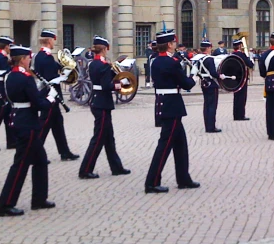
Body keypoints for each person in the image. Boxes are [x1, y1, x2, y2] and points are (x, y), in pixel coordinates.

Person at [0, 44, 56, 216]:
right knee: (21, 165)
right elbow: (37, 103)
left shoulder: (10, 76)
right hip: (27, 123)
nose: (30, 60)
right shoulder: (25, 78)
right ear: (23, 59)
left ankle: (39, 199)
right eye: (28, 57)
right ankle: (6, 204)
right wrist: (50, 99)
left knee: (40, 161)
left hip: (18, 119)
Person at [145, 29, 198, 194]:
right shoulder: (171, 62)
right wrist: (194, 75)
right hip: (172, 106)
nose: (175, 45)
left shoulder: (156, 61)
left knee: (180, 144)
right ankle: (152, 182)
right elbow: (186, 84)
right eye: (173, 43)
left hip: (164, 103)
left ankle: (183, 178)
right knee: (165, 145)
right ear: (169, 44)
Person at [77, 36, 132, 179]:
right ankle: (85, 169)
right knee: (98, 138)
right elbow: (107, 85)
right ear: (106, 49)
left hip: (97, 101)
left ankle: (116, 167)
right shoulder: (104, 66)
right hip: (102, 103)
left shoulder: (93, 64)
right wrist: (120, 84)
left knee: (108, 138)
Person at [32, 29, 80, 161]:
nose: (54, 42)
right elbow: (50, 78)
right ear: (49, 40)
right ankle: (35, 153)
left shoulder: (40, 56)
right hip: (50, 95)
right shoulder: (46, 58)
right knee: (44, 125)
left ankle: (64, 152)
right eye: (53, 39)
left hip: (50, 95)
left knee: (58, 124)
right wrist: (62, 76)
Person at [197, 40, 221, 133]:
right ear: (208, 48)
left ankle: (207, 125)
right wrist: (220, 76)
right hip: (211, 83)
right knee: (212, 105)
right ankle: (211, 127)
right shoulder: (209, 59)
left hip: (204, 82)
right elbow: (213, 73)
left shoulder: (199, 58)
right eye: (210, 48)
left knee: (206, 105)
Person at [231, 39, 254, 121]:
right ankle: (241, 115)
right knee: (242, 97)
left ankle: (235, 115)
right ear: (240, 46)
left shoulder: (232, 54)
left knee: (236, 97)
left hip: (234, 79)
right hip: (242, 78)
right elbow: (250, 64)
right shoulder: (242, 55)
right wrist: (250, 59)